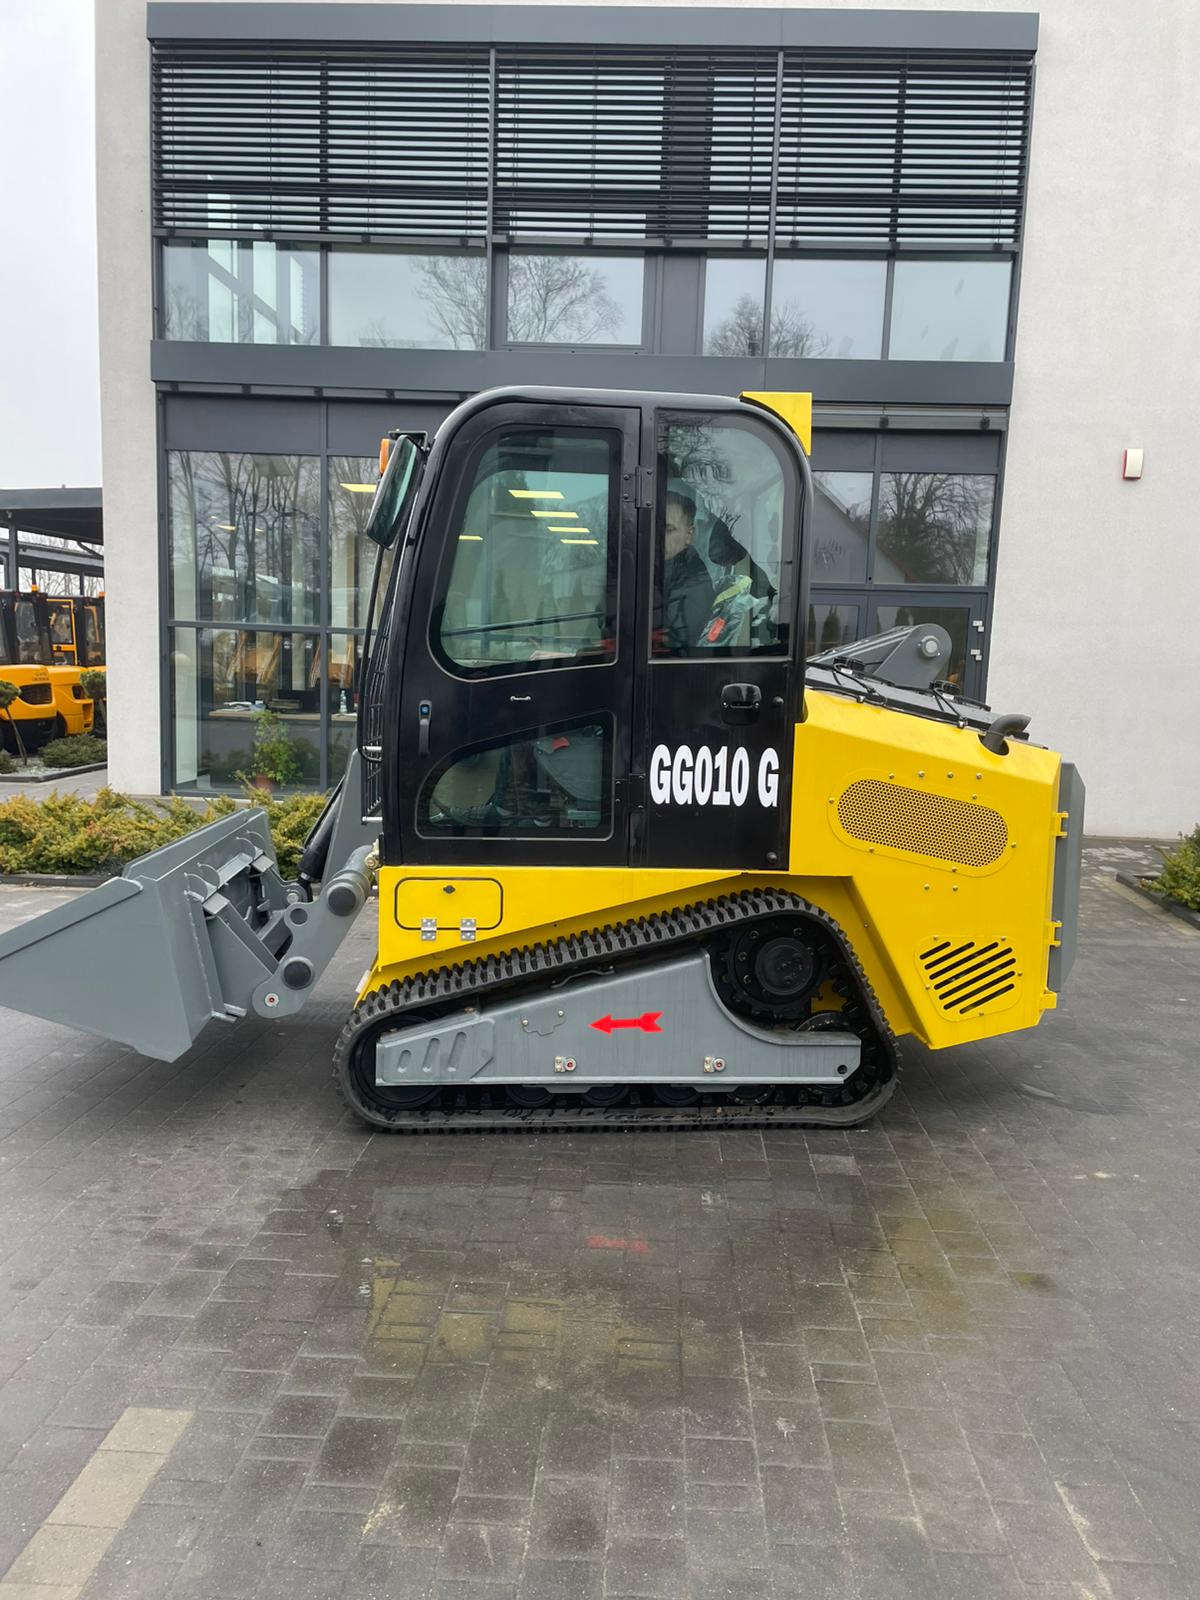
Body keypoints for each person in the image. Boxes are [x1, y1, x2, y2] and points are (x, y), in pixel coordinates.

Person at [657, 487, 715, 654]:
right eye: (653, 528)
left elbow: (676, 643)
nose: (657, 537)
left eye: (668, 530)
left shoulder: (693, 581)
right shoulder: (659, 571)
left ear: (688, 535)